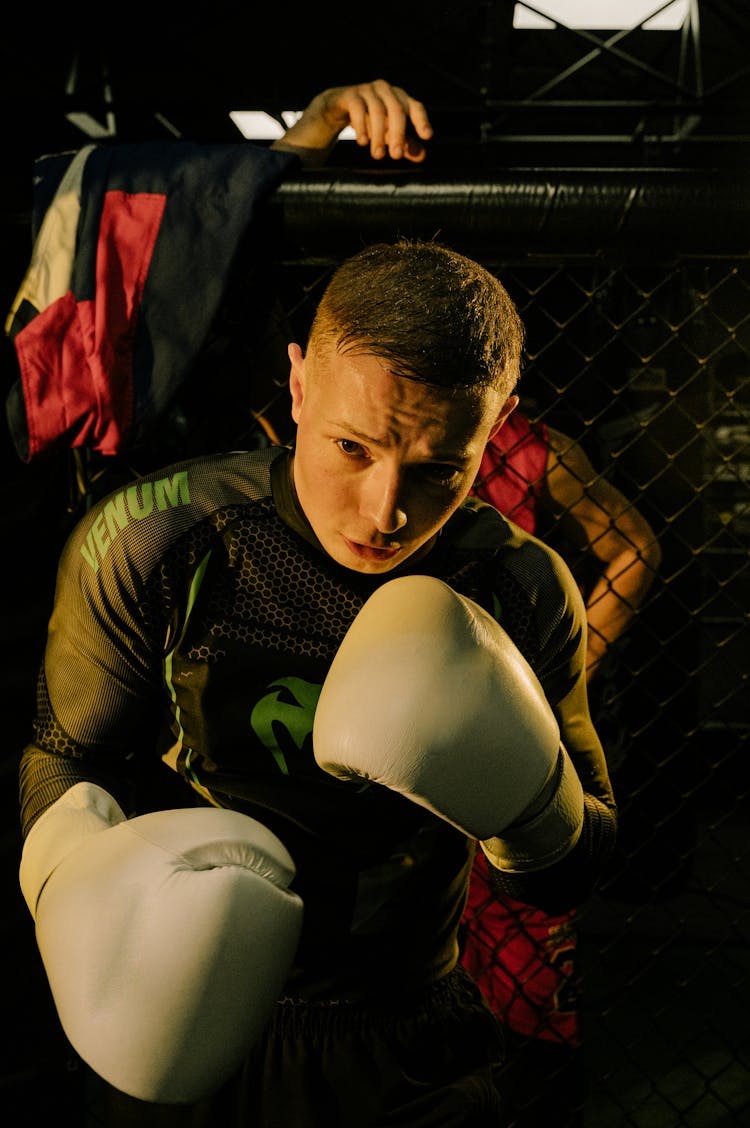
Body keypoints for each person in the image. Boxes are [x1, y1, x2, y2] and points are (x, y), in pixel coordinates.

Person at [16, 82, 618, 1128]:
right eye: (353, 447)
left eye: (441, 467)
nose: (387, 508)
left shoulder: (517, 584)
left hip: (403, 1025)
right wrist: (77, 888)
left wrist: (531, 811)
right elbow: (60, 752)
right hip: (170, 997)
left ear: (499, 426)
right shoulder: (160, 538)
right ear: (296, 386)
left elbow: (577, 862)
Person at [460, 409, 661, 1126]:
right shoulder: (359, 435)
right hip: (394, 736)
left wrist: (557, 681)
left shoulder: (529, 450)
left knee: (525, 976)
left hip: (510, 744)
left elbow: (635, 548)